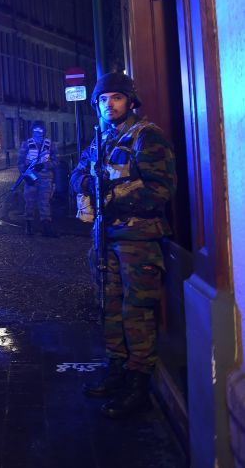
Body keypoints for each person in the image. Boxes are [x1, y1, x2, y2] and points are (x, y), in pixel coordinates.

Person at [70, 72, 176, 419]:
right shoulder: (101, 138)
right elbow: (76, 174)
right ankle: (116, 370)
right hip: (106, 239)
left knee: (137, 312)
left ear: (130, 101)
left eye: (116, 97)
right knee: (110, 307)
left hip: (137, 240)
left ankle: (138, 383)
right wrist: (87, 182)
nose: (109, 104)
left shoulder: (148, 137)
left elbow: (161, 190)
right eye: (103, 99)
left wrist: (115, 195)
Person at [17, 120, 58, 236]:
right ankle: (29, 226)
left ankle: (46, 227)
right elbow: (20, 162)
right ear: (32, 131)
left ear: (44, 131)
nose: (38, 132)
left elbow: (56, 161)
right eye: (36, 130)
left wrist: (45, 165)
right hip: (31, 178)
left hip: (46, 178)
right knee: (29, 202)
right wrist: (25, 174)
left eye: (41, 130)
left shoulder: (50, 145)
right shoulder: (26, 144)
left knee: (44, 202)